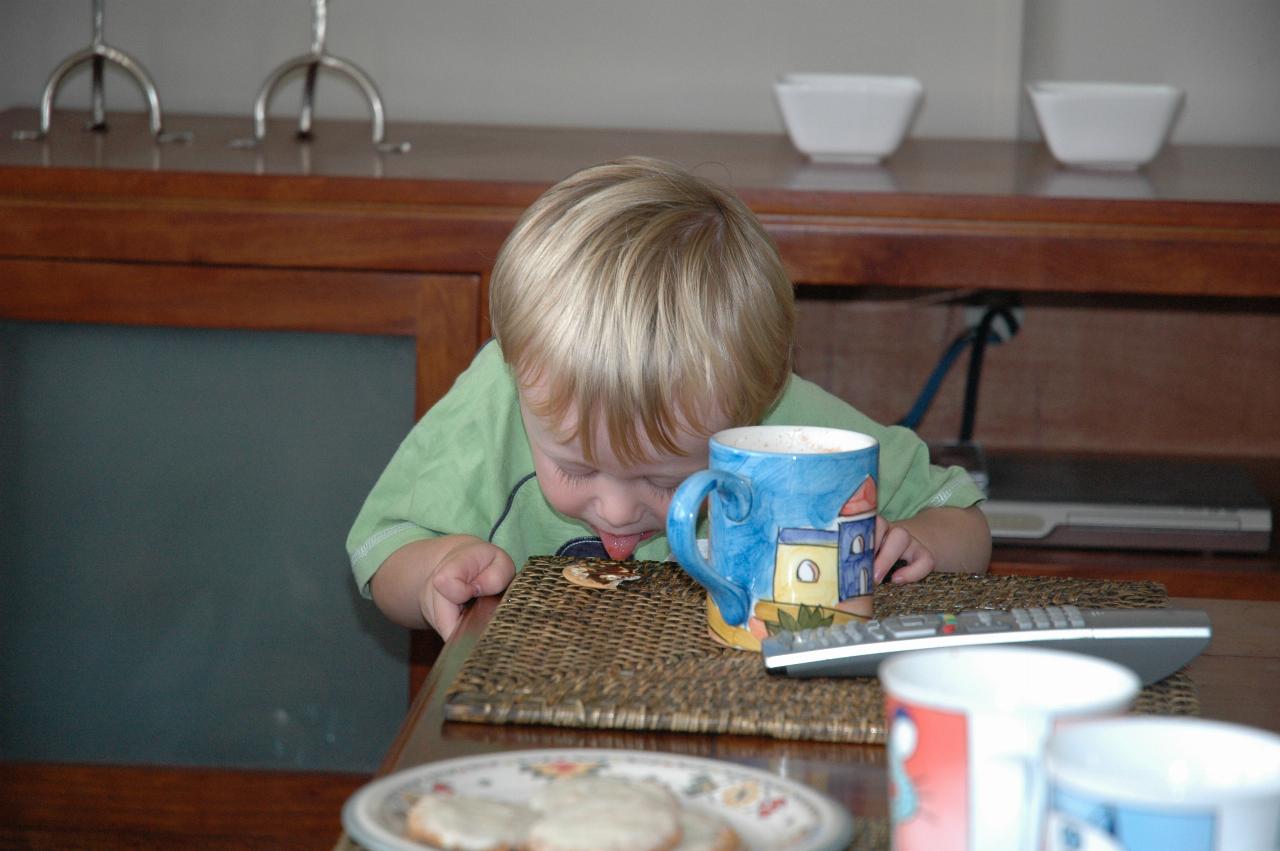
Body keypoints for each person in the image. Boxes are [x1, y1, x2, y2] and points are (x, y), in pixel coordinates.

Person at [347, 156, 990, 640]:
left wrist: (912, 541)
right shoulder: (500, 396)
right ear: (521, 375)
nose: (618, 508)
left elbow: (964, 521)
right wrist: (435, 567)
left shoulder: (782, 428)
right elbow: (383, 552)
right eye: (574, 466)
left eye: (660, 478)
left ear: (750, 414)